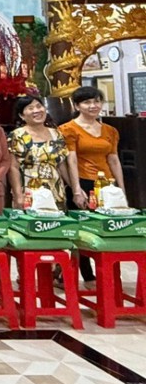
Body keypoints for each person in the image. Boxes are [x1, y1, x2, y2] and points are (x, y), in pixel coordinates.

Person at [60, 86, 124, 283]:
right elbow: (70, 160)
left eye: (97, 101)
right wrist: (76, 189)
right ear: (77, 105)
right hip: (82, 182)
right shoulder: (68, 129)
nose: (93, 106)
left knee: (108, 228)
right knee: (82, 230)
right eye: (87, 102)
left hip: (106, 185)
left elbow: (114, 159)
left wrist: (121, 189)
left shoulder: (110, 130)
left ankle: (110, 276)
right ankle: (87, 276)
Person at [7, 94, 76, 211]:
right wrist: (18, 195)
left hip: (55, 191)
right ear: (21, 115)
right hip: (29, 191)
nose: (36, 110)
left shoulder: (56, 134)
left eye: (39, 106)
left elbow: (61, 165)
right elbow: (13, 168)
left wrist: (75, 189)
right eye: (30, 108)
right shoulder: (17, 135)